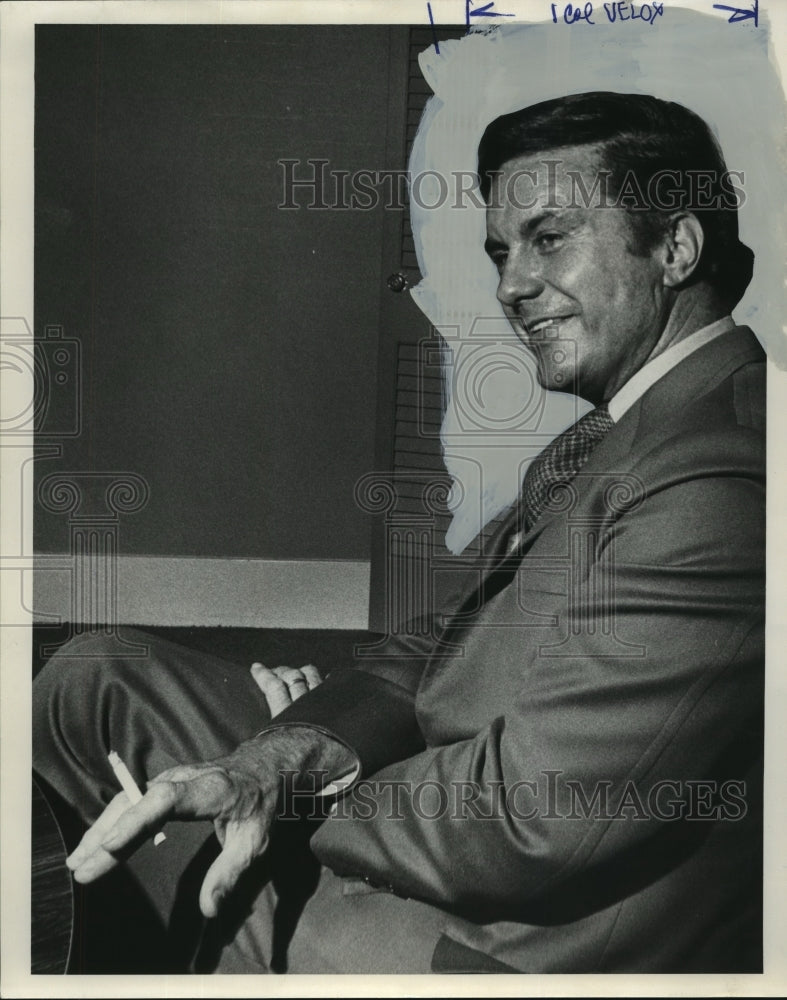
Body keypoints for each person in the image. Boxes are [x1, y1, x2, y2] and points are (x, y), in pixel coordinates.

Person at [33, 91, 765, 974]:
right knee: (95, 678)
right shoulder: (633, 430)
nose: (510, 285)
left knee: (170, 862)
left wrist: (290, 792)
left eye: (548, 239)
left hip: (507, 944)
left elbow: (529, 814)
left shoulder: (719, 477)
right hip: (448, 814)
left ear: (675, 248)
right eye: (500, 251)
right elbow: (449, 643)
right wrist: (286, 752)